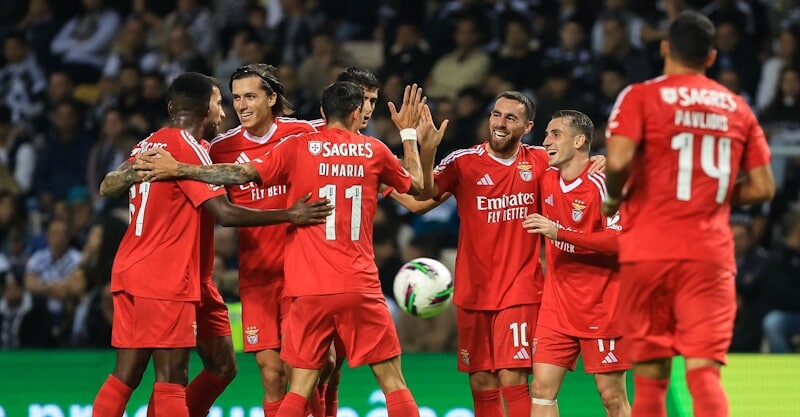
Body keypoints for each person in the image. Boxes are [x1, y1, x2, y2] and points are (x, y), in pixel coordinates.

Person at [136, 80, 440, 417]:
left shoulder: (299, 146)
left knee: (299, 387)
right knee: (392, 381)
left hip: (307, 290)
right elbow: (420, 188)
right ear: (357, 112)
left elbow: (240, 173)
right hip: (358, 284)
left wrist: (179, 169)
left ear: (323, 113)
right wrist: (411, 136)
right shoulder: (375, 150)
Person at [91, 72, 332, 417]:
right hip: (166, 276)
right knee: (171, 375)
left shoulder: (151, 143)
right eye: (222, 103)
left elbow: (106, 185)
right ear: (205, 109)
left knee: (219, 366)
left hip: (166, 273)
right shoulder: (187, 148)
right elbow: (224, 213)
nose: (225, 113)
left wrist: (131, 173)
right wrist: (289, 215)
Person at [601, 11, 775, 417]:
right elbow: (765, 187)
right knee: (704, 376)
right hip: (709, 257)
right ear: (711, 57)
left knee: (650, 382)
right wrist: (707, 195)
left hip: (648, 252)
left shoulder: (640, 95)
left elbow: (621, 159)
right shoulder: (737, 107)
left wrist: (613, 199)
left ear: (665, 47)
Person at [522, 110, 630, 417]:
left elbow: (619, 241)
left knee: (611, 398)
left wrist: (559, 233)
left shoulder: (604, 182)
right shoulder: (546, 177)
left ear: (580, 141)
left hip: (602, 305)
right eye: (546, 134)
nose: (546, 141)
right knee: (541, 391)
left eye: (556, 134)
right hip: (557, 306)